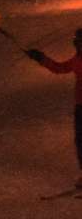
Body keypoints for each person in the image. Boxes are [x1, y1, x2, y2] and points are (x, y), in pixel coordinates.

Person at [25, 29, 82, 188]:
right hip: (80, 106)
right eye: (78, 42)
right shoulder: (77, 60)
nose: (79, 45)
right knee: (80, 140)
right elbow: (60, 68)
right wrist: (41, 58)